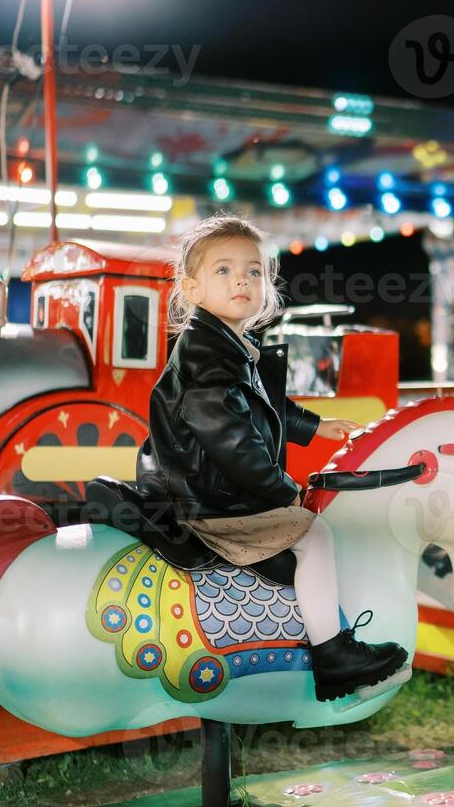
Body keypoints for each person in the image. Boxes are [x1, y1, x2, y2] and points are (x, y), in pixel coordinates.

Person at [136, 212, 408, 701]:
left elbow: (262, 405)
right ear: (191, 289)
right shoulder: (208, 356)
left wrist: (314, 426)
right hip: (207, 506)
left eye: (253, 271)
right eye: (223, 270)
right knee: (316, 535)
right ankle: (332, 655)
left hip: (206, 493)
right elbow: (233, 442)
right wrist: (287, 492)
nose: (241, 278)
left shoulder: (228, 345)